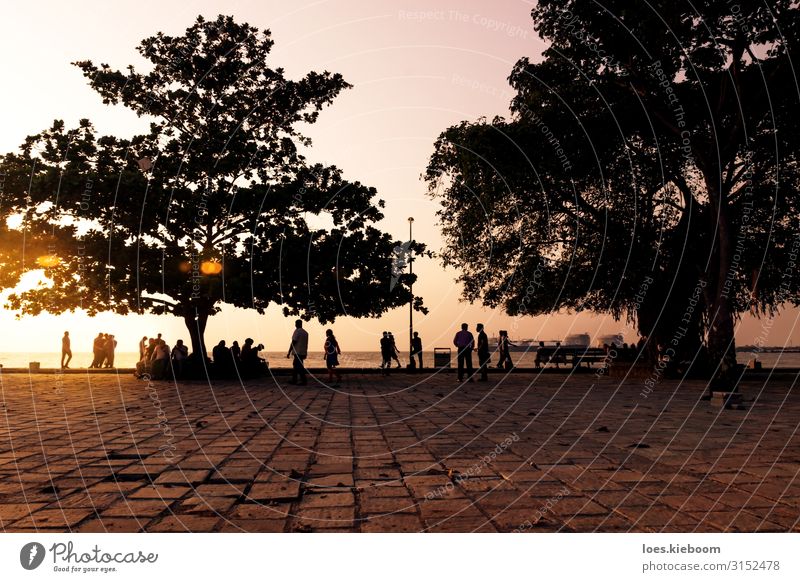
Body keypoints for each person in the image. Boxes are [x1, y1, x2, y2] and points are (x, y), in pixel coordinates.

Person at [287, 319, 309, 385]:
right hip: (302, 352)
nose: (295, 325)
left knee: (298, 366)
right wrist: (305, 353)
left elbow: (293, 342)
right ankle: (295, 380)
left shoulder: (297, 331)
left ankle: (303, 381)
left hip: (297, 352)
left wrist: (289, 351)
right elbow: (306, 344)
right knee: (296, 366)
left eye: (295, 323)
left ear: (297, 324)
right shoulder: (305, 333)